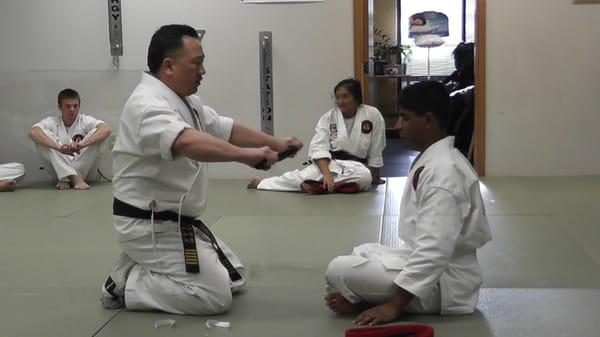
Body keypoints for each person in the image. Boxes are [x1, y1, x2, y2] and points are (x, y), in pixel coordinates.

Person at [100, 24, 302, 315]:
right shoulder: (146, 105)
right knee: (214, 297)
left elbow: (223, 128)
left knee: (235, 276)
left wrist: (276, 142)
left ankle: (142, 264)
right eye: (196, 63)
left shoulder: (184, 99)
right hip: (149, 225)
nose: (203, 70)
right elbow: (186, 141)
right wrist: (247, 157)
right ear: (168, 66)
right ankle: (125, 282)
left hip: (176, 221)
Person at [324, 81, 491, 325]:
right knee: (364, 251)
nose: (398, 125)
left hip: (446, 286)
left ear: (428, 120)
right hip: (437, 268)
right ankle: (369, 297)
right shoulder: (437, 159)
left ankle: (392, 300)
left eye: (404, 118)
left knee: (338, 269)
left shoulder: (444, 173)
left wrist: (392, 307)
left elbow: (434, 251)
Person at [247, 79, 385, 194]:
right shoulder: (328, 118)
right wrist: (326, 174)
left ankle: (323, 187)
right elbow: (319, 147)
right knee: (303, 177)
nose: (340, 101)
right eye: (337, 97)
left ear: (357, 98)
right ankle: (262, 182)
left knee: (365, 178)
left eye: (345, 96)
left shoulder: (372, 115)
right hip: (331, 164)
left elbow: (376, 149)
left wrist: (375, 175)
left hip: (357, 167)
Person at [28, 89, 112, 190]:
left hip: (85, 173)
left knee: (97, 133)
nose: (72, 109)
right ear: (60, 107)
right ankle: (72, 177)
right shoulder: (52, 121)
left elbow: (106, 130)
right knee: (42, 135)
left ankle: (69, 176)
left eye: (75, 106)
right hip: (59, 174)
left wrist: (82, 144)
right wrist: (59, 148)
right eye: (68, 106)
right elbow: (33, 132)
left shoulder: (84, 120)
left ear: (79, 106)